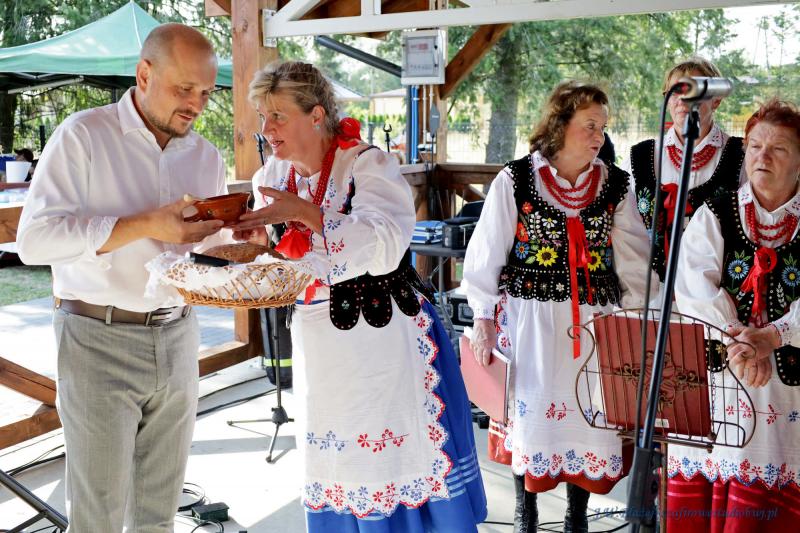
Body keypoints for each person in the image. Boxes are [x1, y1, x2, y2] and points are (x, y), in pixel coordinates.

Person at [230, 61, 487, 533]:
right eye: (263, 117)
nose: (266, 129)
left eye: (278, 116)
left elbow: (386, 245)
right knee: (336, 457)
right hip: (320, 342)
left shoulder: (366, 164)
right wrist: (254, 240)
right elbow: (290, 253)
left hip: (381, 337)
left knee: (388, 455)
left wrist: (306, 213)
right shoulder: (272, 173)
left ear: (316, 115)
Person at [16, 23, 228, 532]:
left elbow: (207, 252)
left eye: (205, 92)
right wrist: (146, 224)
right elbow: (33, 241)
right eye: (184, 88)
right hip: (96, 339)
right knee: (99, 521)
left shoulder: (206, 156)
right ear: (144, 74)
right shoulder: (82, 136)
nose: (196, 105)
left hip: (180, 336)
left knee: (158, 517)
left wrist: (239, 245)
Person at [462, 81, 650, 532]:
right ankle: (525, 514)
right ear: (560, 125)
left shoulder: (615, 185)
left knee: (589, 416)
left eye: (603, 127)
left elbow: (635, 261)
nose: (599, 136)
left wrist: (635, 321)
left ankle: (576, 516)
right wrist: (483, 319)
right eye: (590, 125)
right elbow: (486, 254)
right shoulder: (517, 180)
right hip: (531, 325)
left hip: (595, 325)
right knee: (529, 417)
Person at [669, 99, 800, 532]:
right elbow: (693, 287)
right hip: (723, 377)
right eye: (756, 146)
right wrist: (741, 341)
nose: (763, 156)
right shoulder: (717, 211)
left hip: (788, 389)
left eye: (778, 148)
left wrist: (774, 336)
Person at [624, 57, 746, 294]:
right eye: (674, 91)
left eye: (692, 90)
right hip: (652, 293)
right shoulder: (641, 156)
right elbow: (626, 231)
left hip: (714, 295)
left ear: (716, 99)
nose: (682, 99)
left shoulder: (740, 156)